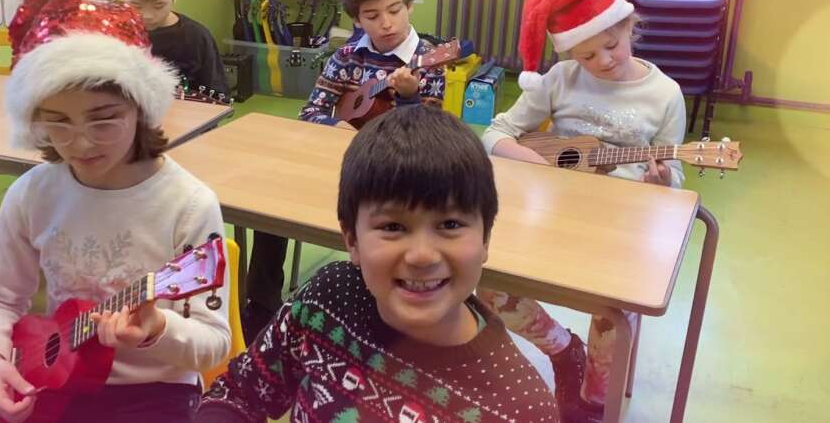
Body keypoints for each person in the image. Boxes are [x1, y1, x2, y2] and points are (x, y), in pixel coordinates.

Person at [0, 0, 230, 423]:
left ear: (141, 110)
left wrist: (157, 329)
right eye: (58, 124)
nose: (82, 143)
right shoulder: (32, 193)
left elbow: (214, 344)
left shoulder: (188, 204)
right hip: (57, 373)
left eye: (104, 120)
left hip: (155, 389)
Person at [197, 104, 559, 422]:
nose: (421, 255)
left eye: (450, 225)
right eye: (392, 227)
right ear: (352, 239)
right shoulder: (326, 300)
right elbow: (237, 395)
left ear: (485, 240)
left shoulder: (519, 407)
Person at [481, 0, 687, 422]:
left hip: (622, 228)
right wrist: (538, 165)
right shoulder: (559, 80)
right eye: (586, 54)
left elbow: (677, 175)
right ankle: (561, 348)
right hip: (552, 217)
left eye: (612, 45)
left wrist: (660, 183)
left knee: (615, 308)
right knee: (484, 283)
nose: (603, 61)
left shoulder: (665, 95)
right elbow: (495, 134)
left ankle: (594, 399)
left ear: (631, 25)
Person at [241, 0, 448, 342]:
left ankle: (377, 313)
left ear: (409, 7)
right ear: (356, 19)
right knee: (272, 206)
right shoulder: (346, 58)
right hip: (339, 165)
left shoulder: (429, 62)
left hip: (398, 175)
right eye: (372, 15)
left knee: (380, 228)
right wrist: (333, 124)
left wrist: (407, 97)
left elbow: (427, 135)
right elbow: (311, 111)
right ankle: (263, 306)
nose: (386, 23)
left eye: (394, 10)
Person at [116, 0, 230, 99]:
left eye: (159, 6)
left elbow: (218, 96)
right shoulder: (114, 34)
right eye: (136, 6)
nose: (147, 15)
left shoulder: (195, 37)